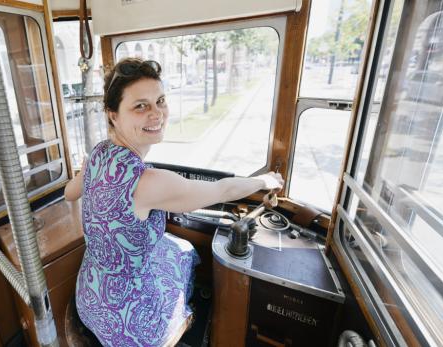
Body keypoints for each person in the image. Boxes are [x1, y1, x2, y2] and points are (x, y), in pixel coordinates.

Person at [65, 58, 283, 346]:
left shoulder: (98, 153)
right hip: (128, 323)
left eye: (160, 101)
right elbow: (223, 190)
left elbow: (70, 193)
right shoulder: (149, 182)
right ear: (113, 116)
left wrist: (87, 169)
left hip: (89, 296)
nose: (157, 114)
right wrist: (266, 181)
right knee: (188, 251)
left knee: (176, 247)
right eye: (140, 106)